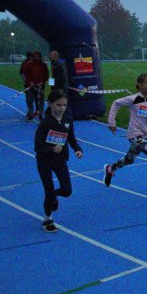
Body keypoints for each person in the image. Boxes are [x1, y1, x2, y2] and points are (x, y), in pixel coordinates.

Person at [104, 73, 147, 198]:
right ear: (140, 85)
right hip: (134, 135)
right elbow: (116, 103)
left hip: (144, 135)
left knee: (129, 160)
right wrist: (111, 122)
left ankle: (110, 169)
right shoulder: (133, 99)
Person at [34, 89, 83, 232]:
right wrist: (50, 149)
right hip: (44, 160)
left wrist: (77, 149)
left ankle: (54, 195)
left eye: (64, 105)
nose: (61, 108)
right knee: (48, 190)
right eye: (58, 105)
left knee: (67, 190)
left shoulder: (67, 120)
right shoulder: (45, 123)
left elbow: (71, 138)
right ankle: (47, 219)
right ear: (50, 104)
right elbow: (37, 146)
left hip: (60, 159)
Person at [24, 51, 49, 121]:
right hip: (31, 85)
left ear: (40, 57)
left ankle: (41, 114)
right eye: (35, 56)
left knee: (41, 100)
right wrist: (30, 82)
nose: (37, 58)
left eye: (38, 56)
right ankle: (31, 114)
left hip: (40, 86)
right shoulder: (29, 65)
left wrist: (42, 82)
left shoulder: (44, 65)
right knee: (30, 100)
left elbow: (46, 75)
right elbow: (27, 74)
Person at [49, 49, 72, 121]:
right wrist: (51, 86)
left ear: (55, 56)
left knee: (63, 103)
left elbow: (63, 77)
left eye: (51, 55)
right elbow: (53, 76)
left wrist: (62, 88)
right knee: (56, 102)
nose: (50, 56)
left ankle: (67, 117)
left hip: (61, 87)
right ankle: (57, 117)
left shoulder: (60, 64)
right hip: (56, 86)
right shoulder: (53, 63)